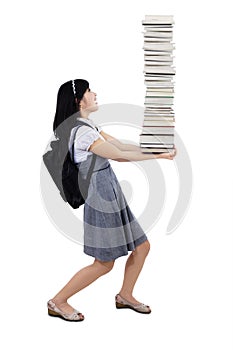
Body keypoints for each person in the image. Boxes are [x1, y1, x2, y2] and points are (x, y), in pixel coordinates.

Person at [47, 79, 176, 322]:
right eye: (89, 91)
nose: (94, 93)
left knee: (142, 246)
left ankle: (125, 295)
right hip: (101, 199)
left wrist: (155, 147)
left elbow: (119, 144)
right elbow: (118, 156)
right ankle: (58, 301)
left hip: (111, 192)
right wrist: (159, 155)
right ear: (78, 101)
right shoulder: (82, 132)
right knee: (104, 263)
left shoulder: (88, 125)